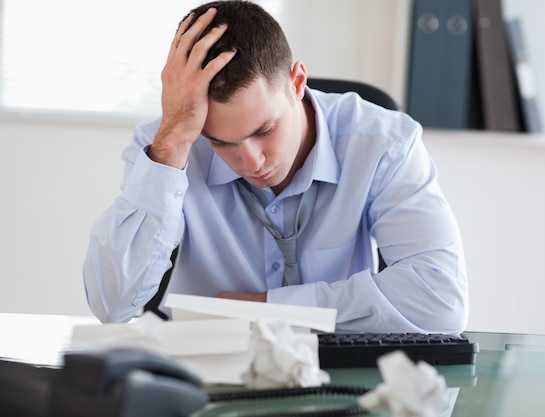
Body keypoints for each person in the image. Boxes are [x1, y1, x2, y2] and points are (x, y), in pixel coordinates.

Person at [83, 0, 469, 334]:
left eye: (265, 130)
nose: (250, 161)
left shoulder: (385, 145)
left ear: (296, 81)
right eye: (221, 142)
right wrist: (171, 146)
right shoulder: (167, 147)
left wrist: (267, 308)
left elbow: (441, 300)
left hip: (339, 382)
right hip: (204, 378)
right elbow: (112, 306)